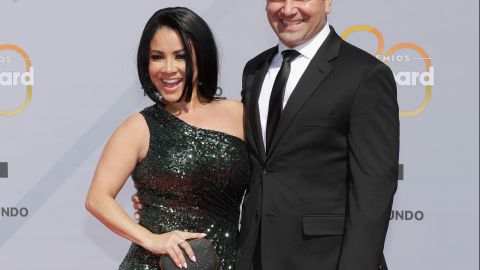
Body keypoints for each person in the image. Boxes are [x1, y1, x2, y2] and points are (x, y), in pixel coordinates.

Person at [134, 1, 399, 269]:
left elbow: (373, 191)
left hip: (324, 258)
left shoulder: (363, 74)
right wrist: (171, 194)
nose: (287, 9)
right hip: (252, 256)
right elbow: (251, 164)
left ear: (327, 2)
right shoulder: (255, 70)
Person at [86, 7, 249, 270]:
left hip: (228, 260)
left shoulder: (239, 114)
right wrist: (152, 239)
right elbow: (97, 198)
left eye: (181, 56)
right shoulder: (139, 127)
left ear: (202, 57)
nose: (168, 69)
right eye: (157, 57)